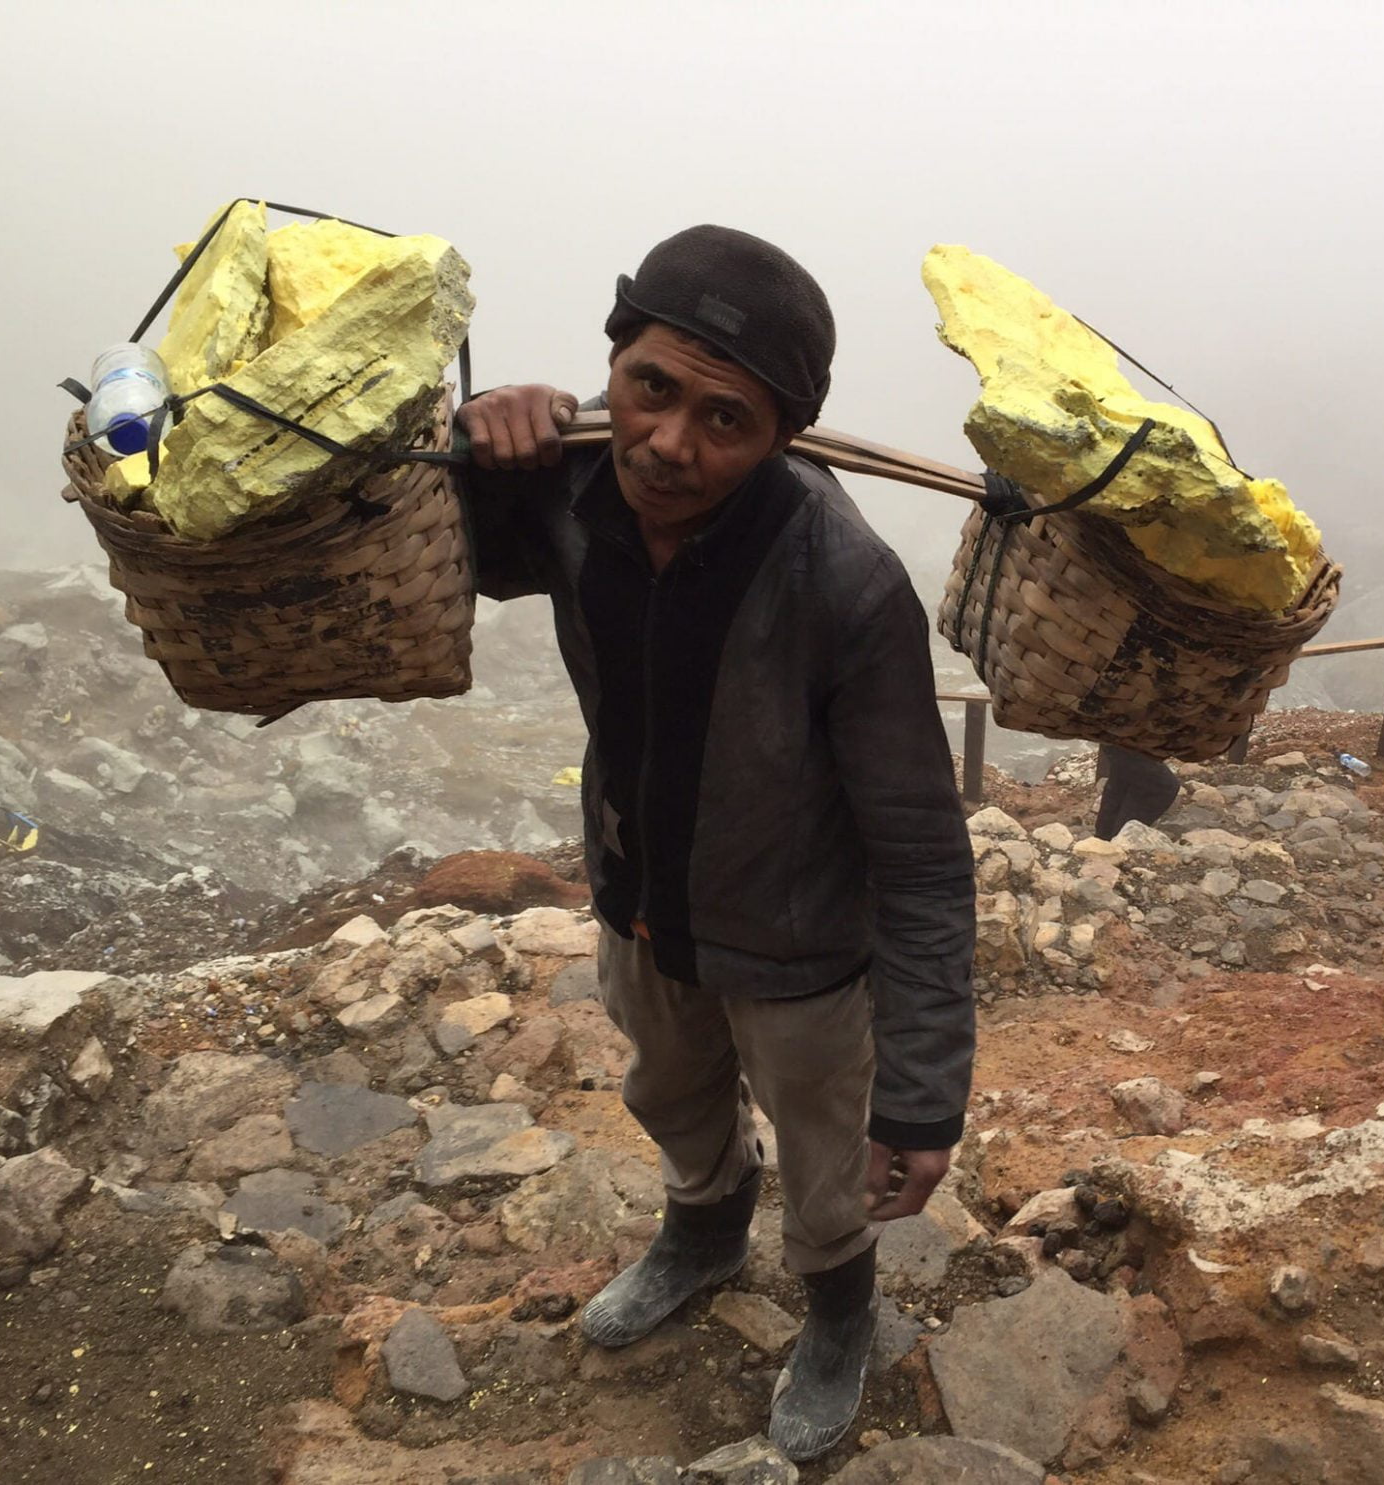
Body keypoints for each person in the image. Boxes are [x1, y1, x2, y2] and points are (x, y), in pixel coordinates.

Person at [453, 225, 976, 1461]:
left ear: (784, 436)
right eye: (650, 388)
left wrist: (923, 1092)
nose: (670, 444)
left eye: (725, 420)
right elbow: (471, 557)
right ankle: (701, 1233)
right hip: (640, 896)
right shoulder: (578, 489)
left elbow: (919, 850)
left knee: (828, 1155)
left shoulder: (845, 582)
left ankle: (838, 1311)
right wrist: (487, 443)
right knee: (669, 1091)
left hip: (797, 946)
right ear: (614, 362)